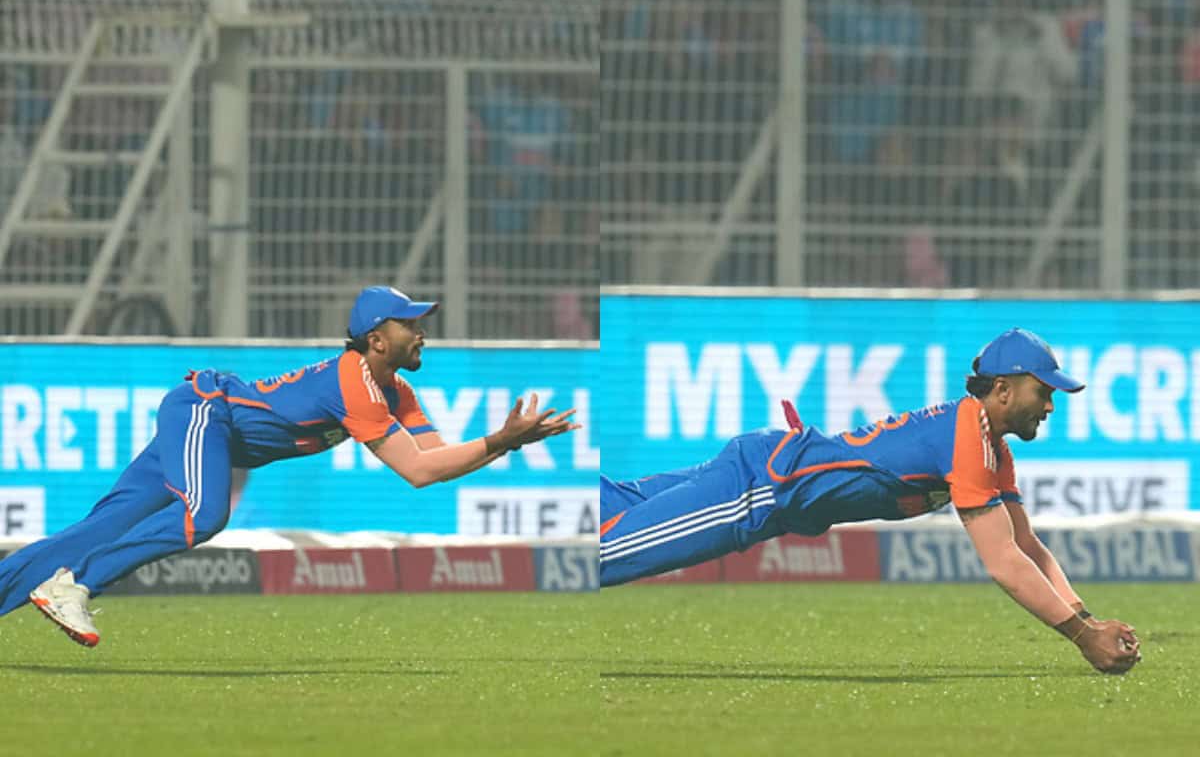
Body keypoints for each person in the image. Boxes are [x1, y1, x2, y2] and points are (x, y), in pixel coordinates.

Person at [0, 286, 578, 647]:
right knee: (204, 515)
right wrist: (501, 437)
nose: (422, 329)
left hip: (209, 425)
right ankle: (73, 585)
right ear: (377, 340)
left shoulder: (394, 391)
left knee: (98, 529)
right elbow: (418, 467)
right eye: (411, 323)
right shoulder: (356, 379)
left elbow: (427, 466)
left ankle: (39, 582)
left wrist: (505, 442)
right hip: (207, 409)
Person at [600, 328, 1140, 675]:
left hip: (767, 472)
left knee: (608, 508)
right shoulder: (968, 436)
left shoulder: (990, 446)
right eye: (1042, 390)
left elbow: (1026, 545)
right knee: (608, 554)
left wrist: (1087, 620)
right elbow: (1002, 563)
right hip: (757, 491)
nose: (1050, 403)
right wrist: (1080, 638)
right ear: (1002, 389)